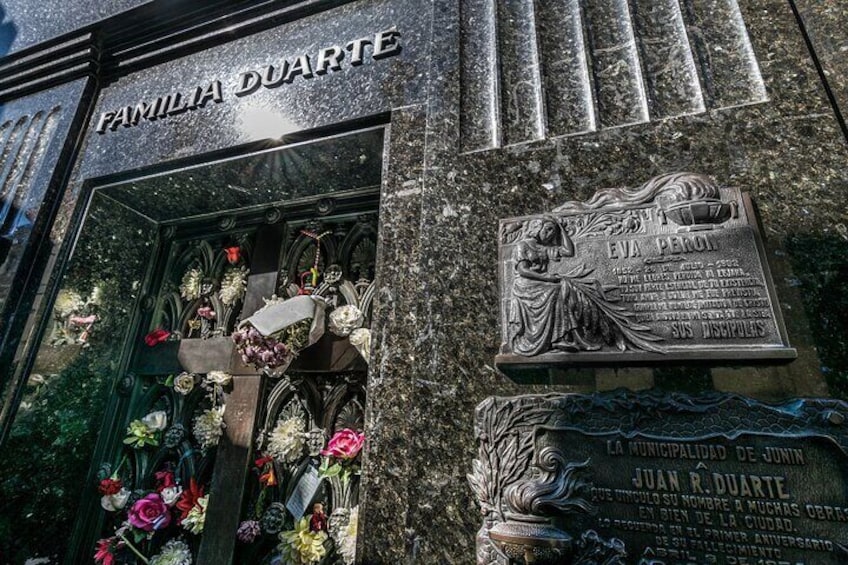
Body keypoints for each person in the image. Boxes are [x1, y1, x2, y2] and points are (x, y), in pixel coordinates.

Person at [508, 218, 600, 355]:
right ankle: (562, 338)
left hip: (541, 283)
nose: (550, 234)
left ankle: (569, 337)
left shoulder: (544, 249)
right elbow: (523, 270)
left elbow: (568, 251)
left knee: (565, 288)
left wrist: (561, 229)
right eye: (548, 229)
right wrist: (546, 277)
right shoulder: (522, 246)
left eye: (553, 232)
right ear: (538, 227)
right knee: (556, 290)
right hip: (525, 284)